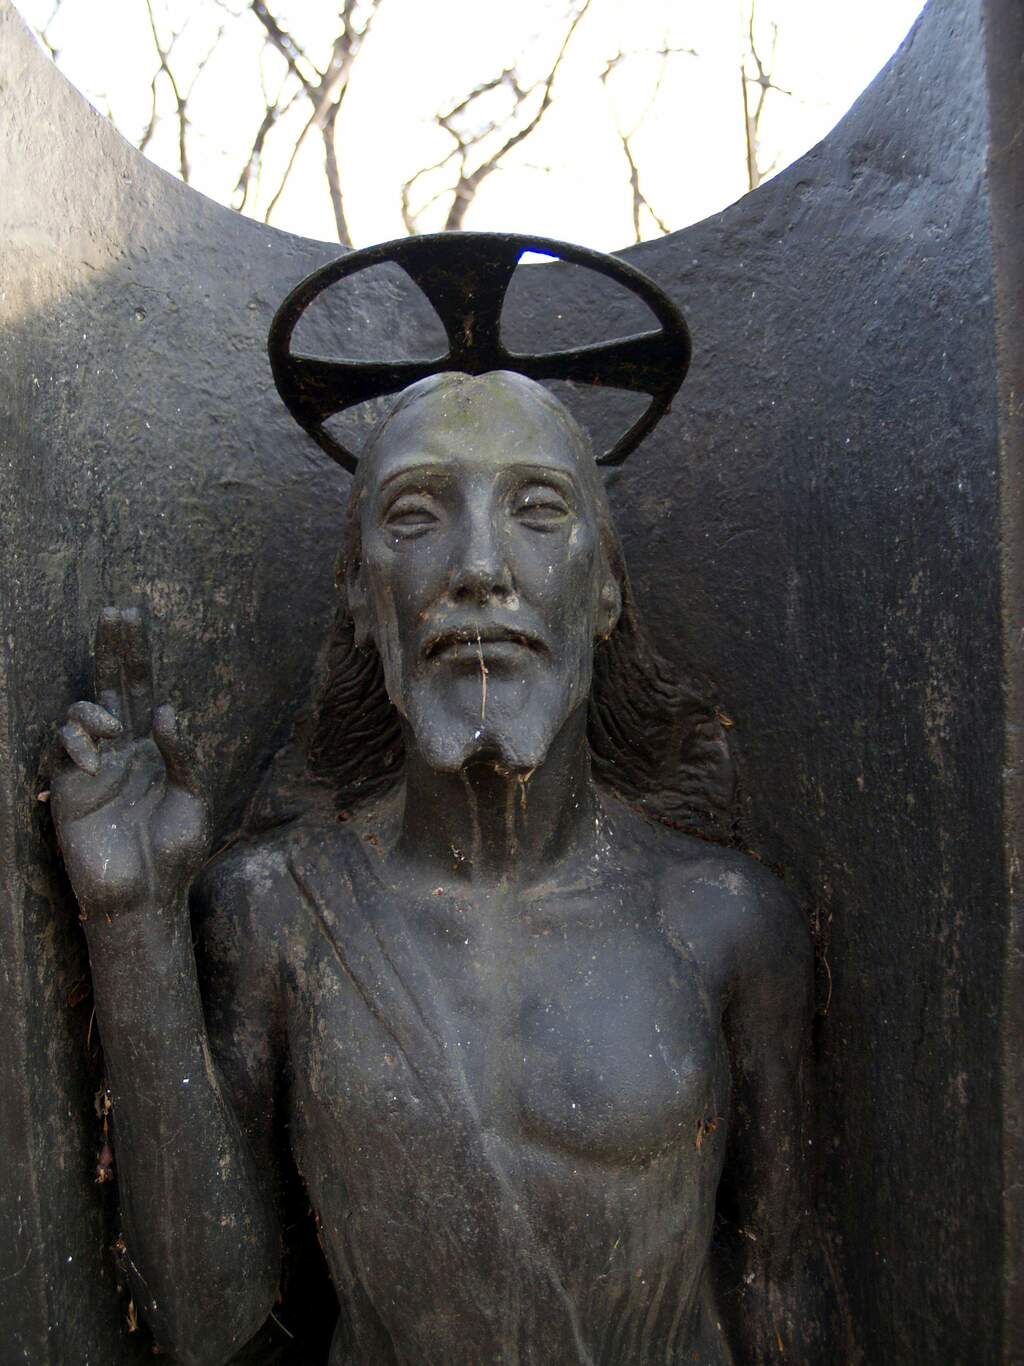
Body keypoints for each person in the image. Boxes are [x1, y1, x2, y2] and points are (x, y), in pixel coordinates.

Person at [52, 364, 819, 1366]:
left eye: (537, 510)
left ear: (604, 589)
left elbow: (777, 1286)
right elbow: (204, 1322)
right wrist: (132, 927)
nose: (480, 568)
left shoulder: (726, 922)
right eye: (415, 516)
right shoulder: (276, 913)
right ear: (359, 597)